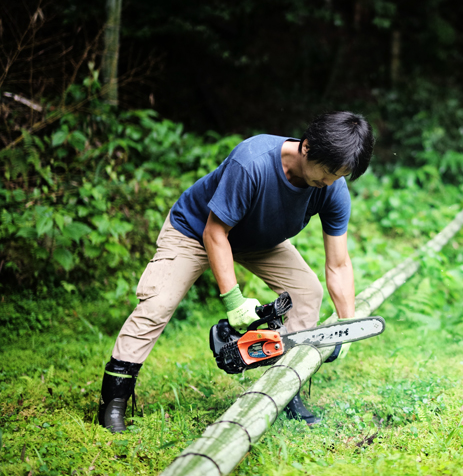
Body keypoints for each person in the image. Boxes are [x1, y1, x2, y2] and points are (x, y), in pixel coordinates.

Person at [98, 111, 375, 433]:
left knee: (307, 293)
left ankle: (285, 388)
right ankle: (114, 400)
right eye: (327, 172)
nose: (329, 182)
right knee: (157, 305)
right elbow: (215, 233)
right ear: (307, 147)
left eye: (339, 176)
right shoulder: (252, 162)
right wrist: (234, 302)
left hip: (259, 240)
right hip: (196, 230)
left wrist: (349, 323)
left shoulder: (332, 189)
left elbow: (338, 264)